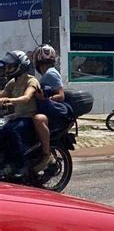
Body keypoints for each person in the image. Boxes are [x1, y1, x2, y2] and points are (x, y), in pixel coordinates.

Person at [0, 50, 40, 177]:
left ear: (20, 66)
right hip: (16, 116)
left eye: (10, 66)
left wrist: (10, 100)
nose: (7, 69)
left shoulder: (31, 81)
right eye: (7, 66)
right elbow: (2, 95)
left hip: (28, 117)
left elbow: (27, 97)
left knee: (12, 131)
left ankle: (20, 165)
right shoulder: (13, 82)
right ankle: (5, 162)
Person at [31, 44, 72, 172]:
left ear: (37, 60)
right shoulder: (47, 74)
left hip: (53, 112)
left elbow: (60, 96)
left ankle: (46, 155)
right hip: (49, 109)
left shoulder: (51, 73)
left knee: (37, 120)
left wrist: (45, 99)